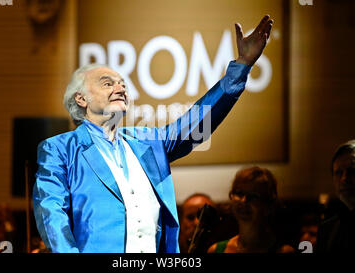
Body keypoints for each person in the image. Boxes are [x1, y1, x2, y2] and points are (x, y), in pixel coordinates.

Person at [33, 15, 274, 253]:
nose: (121, 88)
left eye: (123, 84)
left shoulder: (148, 142)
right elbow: (51, 212)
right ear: (81, 98)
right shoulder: (60, 149)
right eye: (108, 83)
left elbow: (198, 121)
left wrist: (242, 65)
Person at [207, 167, 295, 253]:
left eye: (254, 196)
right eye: (239, 193)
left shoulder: (284, 251)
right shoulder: (216, 250)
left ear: (268, 206)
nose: (244, 201)